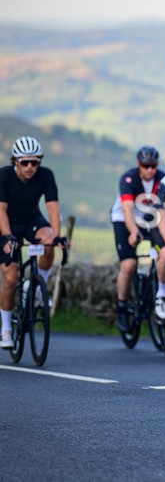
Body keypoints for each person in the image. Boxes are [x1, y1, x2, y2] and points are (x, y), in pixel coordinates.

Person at [0, 137, 65, 349]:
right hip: (5, 225)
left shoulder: (46, 175)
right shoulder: (4, 175)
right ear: (15, 161)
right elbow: (1, 210)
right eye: (25, 162)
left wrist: (57, 236)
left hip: (31, 221)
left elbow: (53, 207)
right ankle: (6, 329)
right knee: (11, 278)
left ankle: (36, 286)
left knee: (49, 242)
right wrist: (8, 236)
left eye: (34, 162)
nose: (30, 167)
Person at [110, 146, 165, 330]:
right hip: (125, 220)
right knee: (128, 265)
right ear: (139, 165)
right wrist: (133, 232)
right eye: (146, 166)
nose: (150, 170)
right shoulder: (128, 178)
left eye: (153, 166)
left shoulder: (162, 178)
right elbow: (127, 209)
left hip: (152, 220)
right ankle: (122, 306)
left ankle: (160, 293)